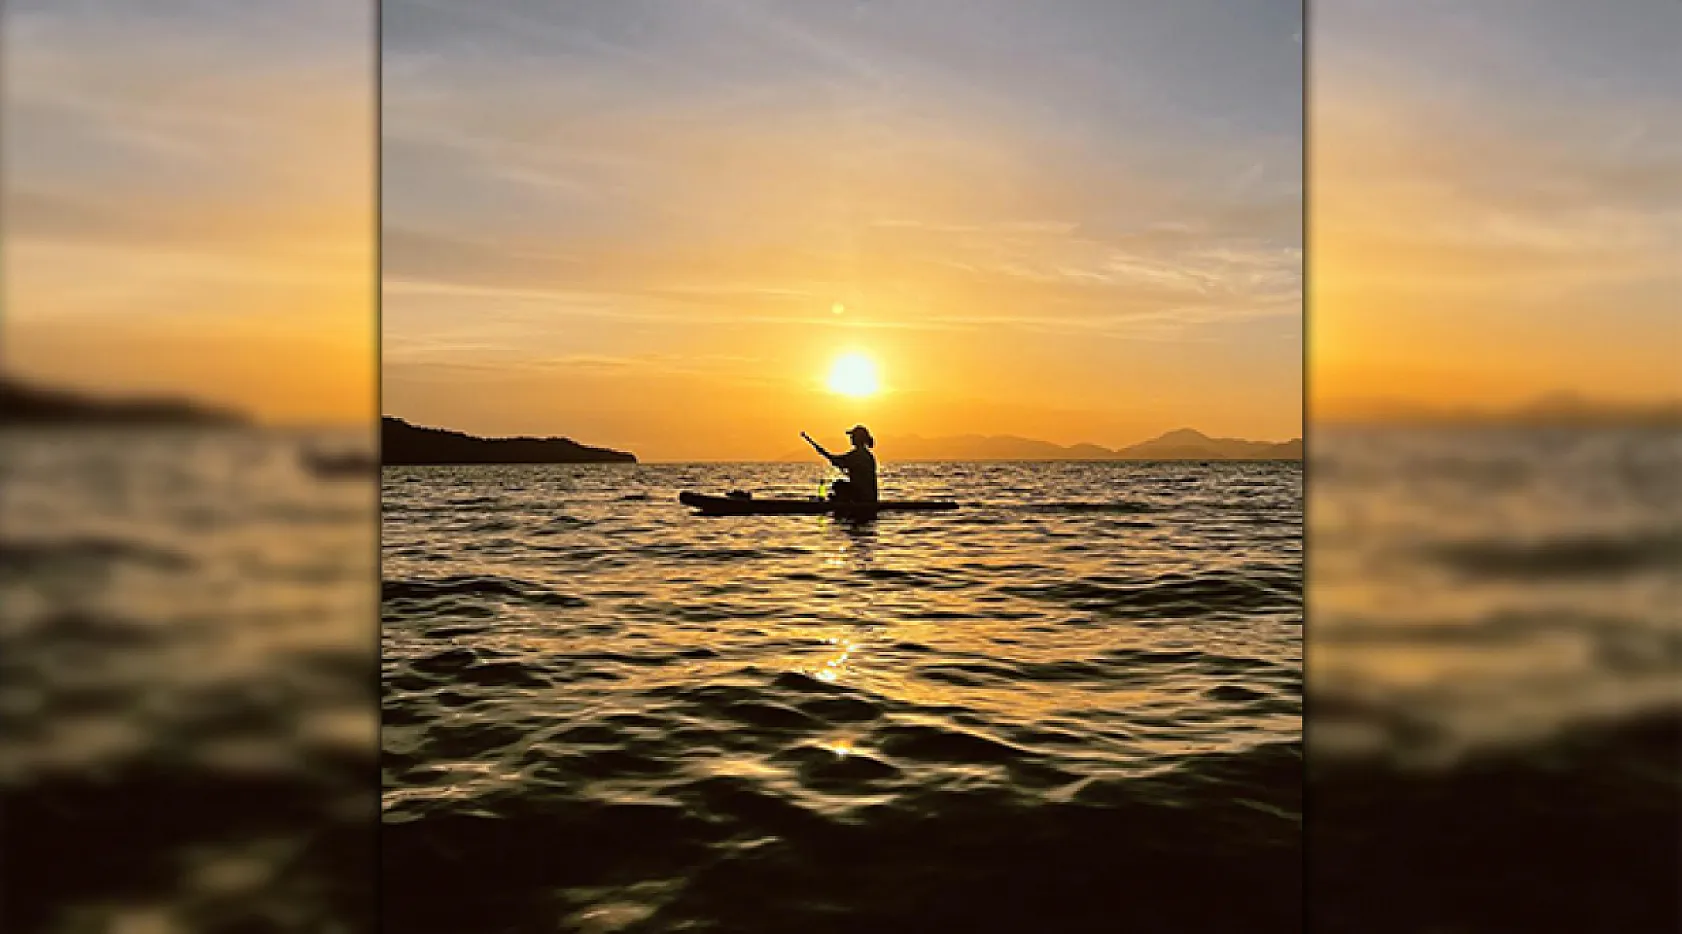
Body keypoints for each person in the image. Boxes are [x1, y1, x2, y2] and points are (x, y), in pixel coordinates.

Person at [802, 425, 878, 503]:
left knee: (838, 485)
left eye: (852, 436)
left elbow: (837, 460)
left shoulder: (858, 455)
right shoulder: (867, 455)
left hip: (864, 498)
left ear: (858, 438)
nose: (850, 438)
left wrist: (823, 453)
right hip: (870, 497)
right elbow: (839, 461)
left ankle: (841, 503)